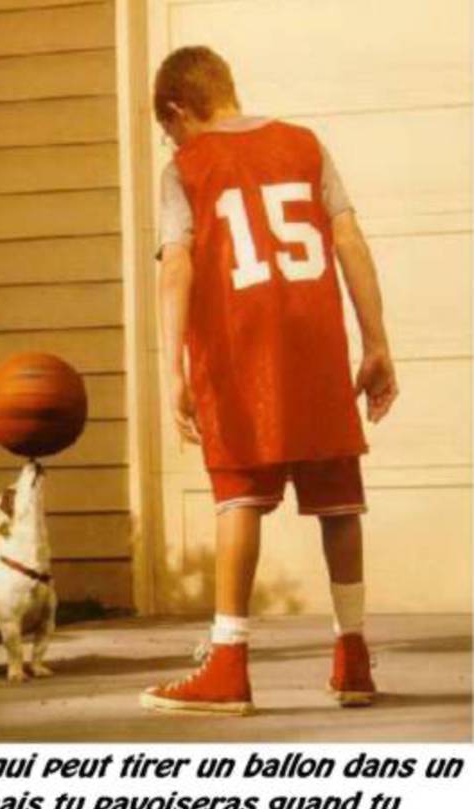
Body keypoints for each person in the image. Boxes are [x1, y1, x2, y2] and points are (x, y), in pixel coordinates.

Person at [140, 46, 398, 715]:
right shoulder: (305, 145)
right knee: (338, 501)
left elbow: (175, 268)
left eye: (167, 129)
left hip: (237, 354)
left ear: (176, 111)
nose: (170, 141)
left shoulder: (184, 169)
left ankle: (227, 663)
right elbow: (349, 242)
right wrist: (374, 344)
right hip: (315, 346)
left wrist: (172, 371)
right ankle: (353, 655)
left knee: (239, 500)